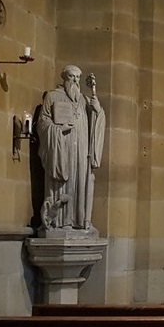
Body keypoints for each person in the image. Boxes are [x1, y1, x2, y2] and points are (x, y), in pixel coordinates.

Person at [36, 65, 105, 233]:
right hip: (61, 149)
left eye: (77, 77)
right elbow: (43, 123)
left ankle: (79, 220)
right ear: (64, 77)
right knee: (62, 184)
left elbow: (96, 122)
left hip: (81, 150)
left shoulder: (84, 100)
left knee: (81, 182)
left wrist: (97, 110)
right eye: (71, 76)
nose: (75, 80)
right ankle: (59, 222)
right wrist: (58, 130)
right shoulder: (52, 96)